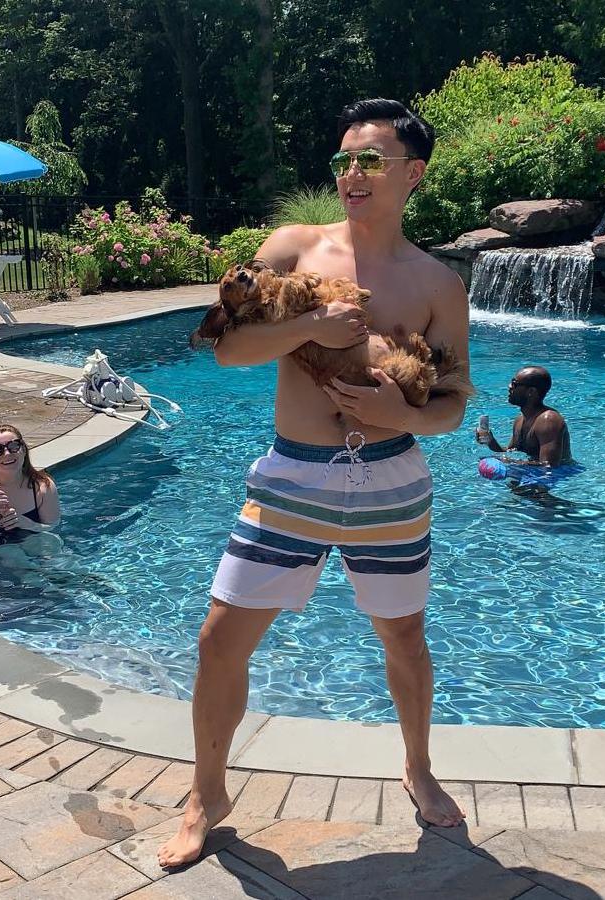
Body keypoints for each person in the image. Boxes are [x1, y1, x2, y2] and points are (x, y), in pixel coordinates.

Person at [158, 98, 471, 869]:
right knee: (219, 640)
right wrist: (309, 328)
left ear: (413, 172)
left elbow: (454, 406)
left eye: (370, 161)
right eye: (342, 161)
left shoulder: (438, 283)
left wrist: (399, 410)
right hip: (294, 475)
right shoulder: (295, 247)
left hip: (391, 483)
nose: (351, 175)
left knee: (403, 637)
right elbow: (228, 350)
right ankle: (206, 794)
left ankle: (418, 766)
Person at [475, 366, 576, 468]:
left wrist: (507, 461)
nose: (509, 386)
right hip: (534, 471)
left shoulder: (549, 420)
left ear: (531, 391)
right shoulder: (519, 420)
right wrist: (491, 442)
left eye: (515, 384)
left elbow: (549, 466)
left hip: (563, 474)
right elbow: (510, 452)